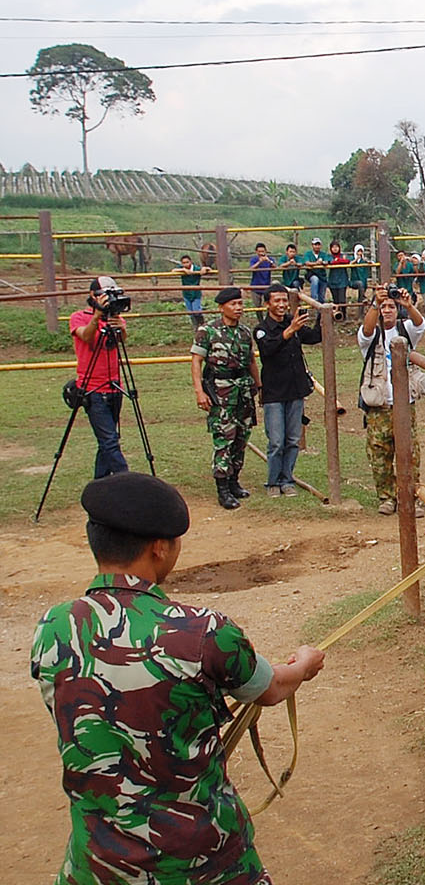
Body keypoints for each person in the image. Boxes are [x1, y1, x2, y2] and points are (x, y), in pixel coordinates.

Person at [31, 472, 325, 885]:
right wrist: (305, 665)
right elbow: (270, 688)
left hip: (98, 864)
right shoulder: (202, 632)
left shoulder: (54, 627)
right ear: (160, 548)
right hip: (203, 862)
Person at [357, 286, 425, 516]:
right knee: (379, 453)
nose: (387, 310)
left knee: (409, 453)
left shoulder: (405, 330)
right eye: (383, 307)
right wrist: (375, 305)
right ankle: (386, 497)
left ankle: (411, 496)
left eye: (391, 306)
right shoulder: (370, 334)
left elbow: (420, 325)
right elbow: (366, 331)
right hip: (379, 405)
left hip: (404, 405)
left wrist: (409, 306)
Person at [191, 287, 260, 511]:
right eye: (233, 304)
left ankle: (234, 481)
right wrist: (199, 391)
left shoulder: (244, 332)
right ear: (222, 307)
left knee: (241, 437)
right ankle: (222, 487)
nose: (238, 308)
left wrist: (258, 385)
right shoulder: (208, 331)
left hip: (243, 390)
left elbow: (250, 361)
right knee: (224, 438)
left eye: (240, 304)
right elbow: (196, 362)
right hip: (220, 391)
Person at [254, 283, 322, 497]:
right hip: (274, 393)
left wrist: (323, 316)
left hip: (295, 390)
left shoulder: (293, 324)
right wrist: (290, 330)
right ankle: (273, 482)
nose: (282, 304)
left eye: (285, 300)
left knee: (292, 440)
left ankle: (287, 480)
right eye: (277, 301)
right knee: (276, 441)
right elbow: (268, 349)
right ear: (267, 304)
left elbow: (313, 337)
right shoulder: (262, 330)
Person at [69, 277, 130, 478]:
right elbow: (86, 337)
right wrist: (96, 317)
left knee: (107, 440)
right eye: (103, 295)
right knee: (109, 440)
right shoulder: (78, 317)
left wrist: (120, 328)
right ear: (92, 296)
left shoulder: (116, 318)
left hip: (115, 386)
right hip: (92, 388)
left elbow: (121, 341)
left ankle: (101, 484)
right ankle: (127, 479)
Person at [174, 254, 212, 329]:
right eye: (183, 263)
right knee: (190, 312)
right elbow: (173, 270)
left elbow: (208, 269)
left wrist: (205, 268)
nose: (185, 264)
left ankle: (202, 324)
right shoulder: (182, 269)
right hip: (186, 293)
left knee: (196, 311)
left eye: (187, 262)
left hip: (195, 293)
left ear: (191, 262)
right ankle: (195, 327)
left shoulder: (196, 268)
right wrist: (183, 270)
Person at [324, 239, 352, 318]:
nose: (335, 248)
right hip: (333, 280)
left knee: (342, 299)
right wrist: (339, 261)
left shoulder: (343, 255)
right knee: (335, 300)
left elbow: (348, 260)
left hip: (342, 280)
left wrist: (338, 260)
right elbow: (329, 261)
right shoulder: (329, 256)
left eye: (337, 247)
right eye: (333, 247)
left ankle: (344, 315)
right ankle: (337, 316)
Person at [300, 236, 328, 303]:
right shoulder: (308, 254)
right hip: (311, 274)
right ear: (312, 245)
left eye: (318, 244)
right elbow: (306, 262)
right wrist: (317, 263)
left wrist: (323, 263)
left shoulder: (323, 254)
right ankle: (314, 299)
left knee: (321, 297)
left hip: (322, 276)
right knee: (315, 279)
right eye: (315, 244)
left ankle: (320, 311)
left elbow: (326, 261)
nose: (317, 246)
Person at [248, 242, 276, 307]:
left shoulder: (270, 259)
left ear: (266, 251)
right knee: (257, 306)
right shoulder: (254, 259)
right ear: (256, 252)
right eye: (259, 251)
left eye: (263, 251)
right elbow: (251, 268)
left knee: (266, 305)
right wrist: (259, 262)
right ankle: (259, 317)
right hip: (255, 286)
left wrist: (269, 261)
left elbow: (275, 267)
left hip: (267, 286)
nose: (261, 253)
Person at [350, 243, 371, 312]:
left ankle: (360, 312)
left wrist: (367, 261)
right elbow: (350, 264)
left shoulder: (364, 260)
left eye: (361, 251)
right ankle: (364, 296)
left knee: (361, 294)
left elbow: (371, 262)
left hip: (363, 281)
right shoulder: (352, 259)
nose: (360, 253)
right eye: (358, 251)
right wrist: (356, 260)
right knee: (360, 284)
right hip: (354, 281)